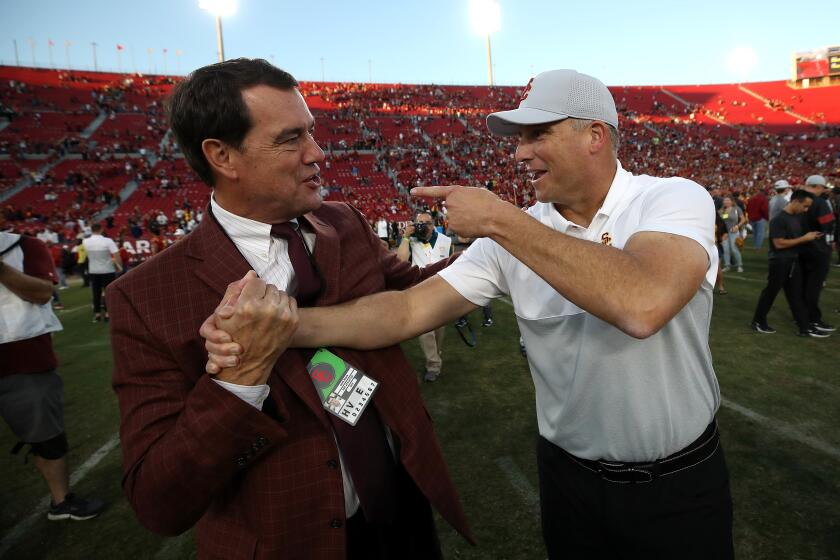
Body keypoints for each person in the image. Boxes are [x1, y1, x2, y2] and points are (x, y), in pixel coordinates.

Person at [206, 69, 733, 559]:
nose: (519, 154)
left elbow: (643, 304)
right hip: (568, 479)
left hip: (679, 482)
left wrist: (503, 221)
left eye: (537, 134)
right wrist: (282, 327)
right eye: (517, 139)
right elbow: (407, 310)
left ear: (595, 135)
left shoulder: (670, 198)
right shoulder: (514, 232)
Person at [106, 58, 471, 560]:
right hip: (291, 539)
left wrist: (507, 240)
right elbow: (159, 502)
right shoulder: (148, 295)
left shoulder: (344, 223)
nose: (318, 153)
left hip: (403, 507)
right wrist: (241, 379)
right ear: (222, 156)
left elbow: (418, 291)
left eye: (313, 133)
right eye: (290, 138)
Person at [0, 226, 105, 522]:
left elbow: (43, 293)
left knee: (46, 435)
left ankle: (61, 500)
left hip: (23, 355)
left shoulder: (24, 246)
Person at [750, 190, 829, 338]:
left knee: (796, 296)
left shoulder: (797, 217)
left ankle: (805, 328)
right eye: (805, 206)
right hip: (779, 262)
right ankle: (758, 322)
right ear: (796, 201)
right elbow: (779, 244)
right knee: (771, 293)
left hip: (793, 261)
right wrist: (804, 239)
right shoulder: (779, 219)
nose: (806, 210)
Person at [396, 211, 454, 382]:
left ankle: (436, 353)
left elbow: (450, 262)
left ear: (433, 224)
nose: (421, 226)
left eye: (426, 223)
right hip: (420, 289)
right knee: (425, 330)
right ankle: (433, 365)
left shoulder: (445, 240)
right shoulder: (411, 240)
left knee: (438, 329)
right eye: (418, 222)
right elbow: (400, 260)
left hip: (441, 288)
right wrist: (406, 237)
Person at [799, 175, 836, 333]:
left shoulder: (797, 199)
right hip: (817, 248)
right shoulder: (820, 202)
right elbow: (827, 225)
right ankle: (813, 319)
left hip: (800, 246)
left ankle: (802, 315)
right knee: (814, 286)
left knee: (804, 285)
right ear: (819, 187)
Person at [82, 223, 121, 322]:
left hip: (94, 270)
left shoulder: (85, 241)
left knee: (96, 293)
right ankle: (108, 313)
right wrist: (119, 266)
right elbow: (116, 254)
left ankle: (97, 314)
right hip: (107, 270)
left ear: (91, 229)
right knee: (108, 293)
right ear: (101, 229)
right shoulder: (108, 241)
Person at [719, 195, 746, 272]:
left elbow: (743, 219)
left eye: (728, 200)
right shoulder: (720, 211)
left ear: (732, 201)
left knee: (734, 249)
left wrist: (737, 226)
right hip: (724, 233)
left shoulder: (737, 209)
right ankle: (727, 266)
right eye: (725, 200)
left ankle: (739, 265)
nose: (726, 202)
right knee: (726, 249)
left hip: (734, 232)